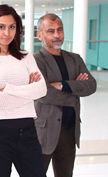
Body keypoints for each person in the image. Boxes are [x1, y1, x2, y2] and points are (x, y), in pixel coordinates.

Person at [0, 4, 47, 177]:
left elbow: (42, 90)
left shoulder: (26, 56)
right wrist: (29, 92)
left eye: (12, 27)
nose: (7, 32)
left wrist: (8, 88)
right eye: (1, 27)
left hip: (28, 132)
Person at [34, 13, 97, 177]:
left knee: (65, 174)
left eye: (60, 30)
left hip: (69, 131)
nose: (57, 35)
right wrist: (75, 89)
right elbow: (43, 94)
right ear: (39, 35)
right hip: (44, 132)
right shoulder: (35, 61)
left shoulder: (75, 59)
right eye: (51, 31)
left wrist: (64, 85)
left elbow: (91, 85)